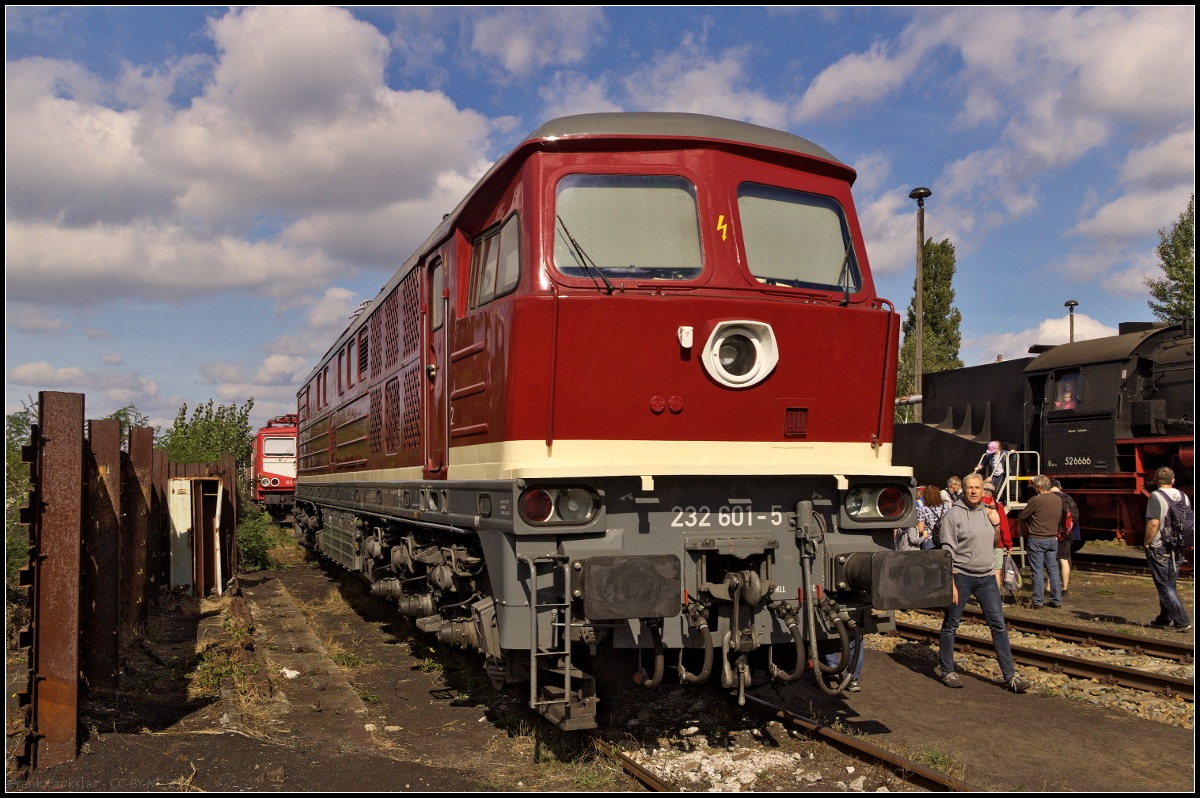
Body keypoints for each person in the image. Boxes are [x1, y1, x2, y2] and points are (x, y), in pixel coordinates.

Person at [937, 473, 1030, 693]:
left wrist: (996, 526)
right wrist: (950, 583)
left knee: (998, 625)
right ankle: (947, 670)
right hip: (961, 575)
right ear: (963, 489)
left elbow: (994, 543)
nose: (973, 491)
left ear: (983, 490)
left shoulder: (988, 512)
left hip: (987, 576)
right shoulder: (953, 516)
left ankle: (1010, 676)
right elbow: (946, 551)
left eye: (977, 488)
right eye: (969, 487)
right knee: (951, 624)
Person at [1144, 467, 1192, 632]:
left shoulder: (1155, 496)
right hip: (1178, 546)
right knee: (1169, 584)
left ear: (1156, 481)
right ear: (1173, 480)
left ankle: (1182, 621)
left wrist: (1146, 542)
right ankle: (1164, 618)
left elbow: (1154, 523)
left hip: (1160, 546)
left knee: (1164, 586)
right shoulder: (1183, 496)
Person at [1018, 475, 1064, 608]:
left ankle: (1038, 601)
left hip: (1037, 538)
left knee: (1037, 570)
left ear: (1038, 487)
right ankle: (1056, 600)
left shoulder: (1036, 500)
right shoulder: (1058, 499)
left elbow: (1023, 515)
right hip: (1052, 538)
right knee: (1053, 570)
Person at [1051, 479, 1081, 597]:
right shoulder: (1069, 498)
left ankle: (1049, 587)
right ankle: (1065, 588)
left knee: (1052, 560)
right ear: (1060, 487)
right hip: (1067, 533)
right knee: (1065, 559)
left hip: (1054, 532)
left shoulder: (1050, 498)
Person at [982, 485, 1013, 593]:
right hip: (997, 544)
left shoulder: (976, 506)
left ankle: (982, 599)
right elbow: (1004, 527)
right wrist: (1008, 544)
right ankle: (996, 599)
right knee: (996, 572)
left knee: (981, 572)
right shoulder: (998, 507)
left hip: (979, 544)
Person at [917, 484, 946, 549]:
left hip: (930, 540)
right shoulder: (946, 506)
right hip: (944, 538)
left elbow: (920, 529)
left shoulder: (923, 509)